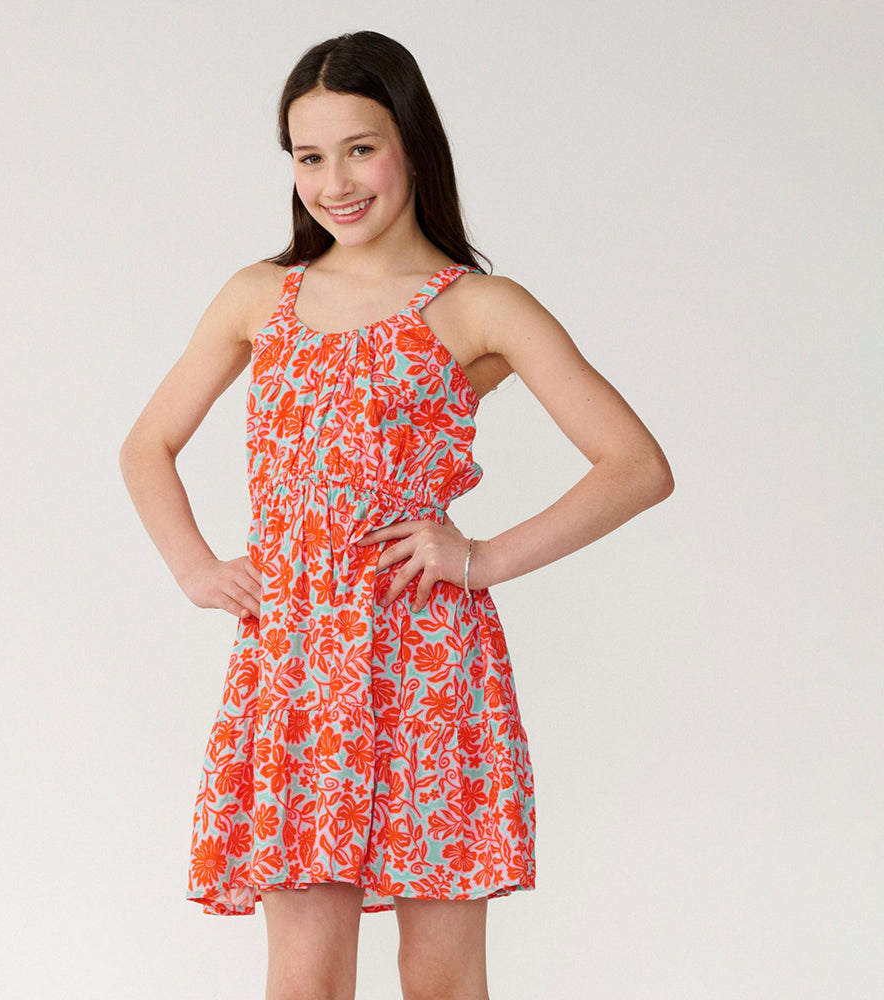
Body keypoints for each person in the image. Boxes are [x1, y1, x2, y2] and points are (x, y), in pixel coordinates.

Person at [120, 29, 673, 1000]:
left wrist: (482, 557)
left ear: (411, 143)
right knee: (304, 977)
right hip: (297, 664)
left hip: (426, 662)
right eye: (308, 156)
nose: (334, 182)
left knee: (441, 977)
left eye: (360, 148)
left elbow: (635, 465)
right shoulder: (261, 295)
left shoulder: (478, 307)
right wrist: (196, 567)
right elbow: (147, 444)